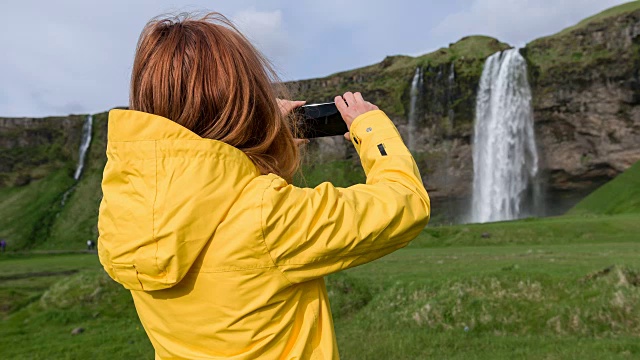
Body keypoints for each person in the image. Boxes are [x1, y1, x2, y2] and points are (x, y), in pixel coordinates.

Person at [98, 12, 430, 360]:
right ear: (241, 98)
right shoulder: (267, 220)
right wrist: (370, 126)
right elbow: (405, 202)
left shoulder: (125, 208)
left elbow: (214, 206)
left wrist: (265, 146)